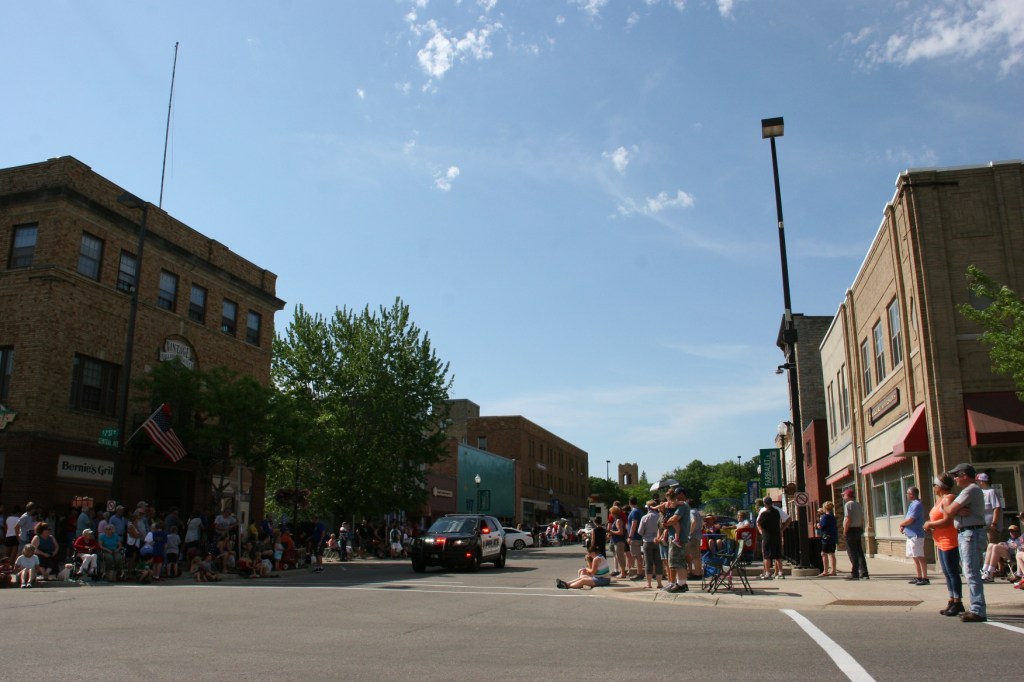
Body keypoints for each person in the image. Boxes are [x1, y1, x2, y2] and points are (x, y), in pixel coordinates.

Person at [946, 462, 987, 622]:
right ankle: (975, 607)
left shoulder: (971, 489)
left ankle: (978, 609)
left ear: (964, 475)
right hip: (967, 533)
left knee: (971, 571)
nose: (955, 478)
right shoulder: (969, 490)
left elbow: (949, 510)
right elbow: (947, 510)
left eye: (956, 475)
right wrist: (956, 512)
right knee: (968, 571)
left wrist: (954, 511)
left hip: (971, 533)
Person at [923, 475, 963, 616]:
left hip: (949, 541)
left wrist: (930, 524)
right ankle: (951, 599)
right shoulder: (939, 500)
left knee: (952, 572)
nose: (933, 487)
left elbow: (948, 521)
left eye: (935, 485)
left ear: (940, 486)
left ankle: (958, 602)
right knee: (947, 573)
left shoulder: (948, 499)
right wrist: (931, 526)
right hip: (940, 541)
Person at [664, 486, 691, 593]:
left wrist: (665, 522)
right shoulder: (680, 505)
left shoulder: (682, 506)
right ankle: (681, 583)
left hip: (678, 539)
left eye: (676, 494)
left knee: (677, 561)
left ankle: (681, 584)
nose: (674, 496)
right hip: (679, 538)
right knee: (679, 561)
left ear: (681, 494)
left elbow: (674, 519)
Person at [899, 487, 928, 585]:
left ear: (911, 494)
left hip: (916, 535)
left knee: (919, 556)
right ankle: (919, 576)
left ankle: (925, 578)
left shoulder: (917, 504)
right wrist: (904, 526)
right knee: (914, 556)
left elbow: (911, 519)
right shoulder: (912, 504)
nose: (906, 495)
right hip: (910, 534)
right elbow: (908, 519)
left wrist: (901, 524)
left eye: (907, 493)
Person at [842, 487, 869, 580]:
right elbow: (862, 518)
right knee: (859, 551)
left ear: (848, 495)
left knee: (852, 552)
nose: (843, 497)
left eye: (844, 495)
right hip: (858, 529)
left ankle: (855, 573)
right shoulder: (858, 504)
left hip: (851, 530)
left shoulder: (848, 505)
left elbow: (848, 519)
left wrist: (845, 530)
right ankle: (864, 572)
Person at [638, 499, 664, 589]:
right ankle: (659, 583)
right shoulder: (660, 516)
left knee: (648, 563)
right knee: (658, 562)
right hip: (658, 541)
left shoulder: (645, 517)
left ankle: (649, 583)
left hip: (647, 541)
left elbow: (640, 531)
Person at [757, 496, 782, 580]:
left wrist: (761, 531)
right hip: (777, 535)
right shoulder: (777, 512)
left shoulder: (764, 513)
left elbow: (759, 523)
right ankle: (780, 573)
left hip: (767, 536)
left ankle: (767, 573)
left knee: (766, 555)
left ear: (765, 504)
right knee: (778, 555)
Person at [976, 472, 1003, 545]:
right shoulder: (980, 491)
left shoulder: (991, 491)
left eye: (977, 481)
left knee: (992, 546)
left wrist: (994, 523)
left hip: (991, 528)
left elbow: (997, 508)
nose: (976, 483)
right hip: (982, 527)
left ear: (981, 481)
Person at [626, 497, 645, 581]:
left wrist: (630, 536)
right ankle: (639, 572)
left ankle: (640, 573)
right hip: (639, 536)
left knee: (637, 556)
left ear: (629, 502)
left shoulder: (634, 512)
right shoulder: (640, 511)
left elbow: (634, 524)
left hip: (635, 537)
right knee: (638, 555)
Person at [607, 505, 628, 579]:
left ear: (613, 513)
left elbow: (620, 532)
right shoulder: (616, 520)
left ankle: (623, 573)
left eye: (611, 513)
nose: (610, 514)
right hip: (617, 541)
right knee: (619, 557)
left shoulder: (618, 520)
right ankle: (622, 572)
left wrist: (611, 531)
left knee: (620, 557)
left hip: (619, 541)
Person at [817, 502, 837, 577]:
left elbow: (822, 526)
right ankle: (833, 570)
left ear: (825, 508)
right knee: (831, 553)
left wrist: (818, 525)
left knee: (824, 553)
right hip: (833, 536)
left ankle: (825, 571)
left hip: (826, 537)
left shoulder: (825, 517)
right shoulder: (832, 516)